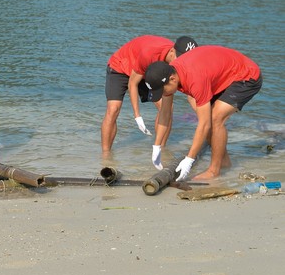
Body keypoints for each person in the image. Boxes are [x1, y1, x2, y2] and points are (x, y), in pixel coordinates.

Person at [144, 45, 262, 181]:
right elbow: (165, 112)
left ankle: (214, 171)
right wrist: (157, 146)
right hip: (222, 74)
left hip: (246, 76)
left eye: (162, 91)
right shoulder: (169, 76)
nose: (163, 94)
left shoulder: (194, 79)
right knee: (209, 118)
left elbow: (205, 124)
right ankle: (224, 163)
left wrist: (189, 159)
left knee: (214, 119)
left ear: (172, 79)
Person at [101, 35, 198, 153]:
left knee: (167, 108)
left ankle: (160, 150)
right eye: (179, 57)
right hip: (121, 67)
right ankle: (106, 156)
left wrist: (204, 117)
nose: (180, 62)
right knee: (113, 109)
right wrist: (137, 116)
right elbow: (132, 83)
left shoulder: (178, 65)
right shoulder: (150, 54)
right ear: (172, 50)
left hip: (149, 73)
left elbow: (190, 93)